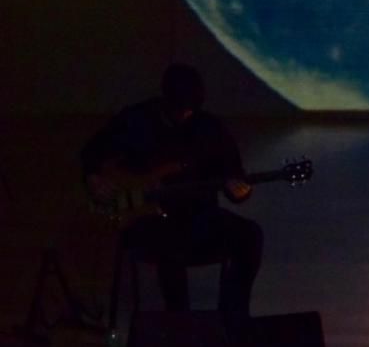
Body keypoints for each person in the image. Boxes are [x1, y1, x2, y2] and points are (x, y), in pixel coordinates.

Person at [82, 63, 263, 324]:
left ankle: (234, 320)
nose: (185, 115)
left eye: (190, 110)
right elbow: (93, 150)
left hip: (200, 217)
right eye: (179, 110)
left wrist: (239, 192)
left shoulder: (209, 128)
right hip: (148, 221)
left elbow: (233, 175)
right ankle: (180, 325)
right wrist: (93, 177)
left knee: (250, 235)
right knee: (170, 243)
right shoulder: (138, 120)